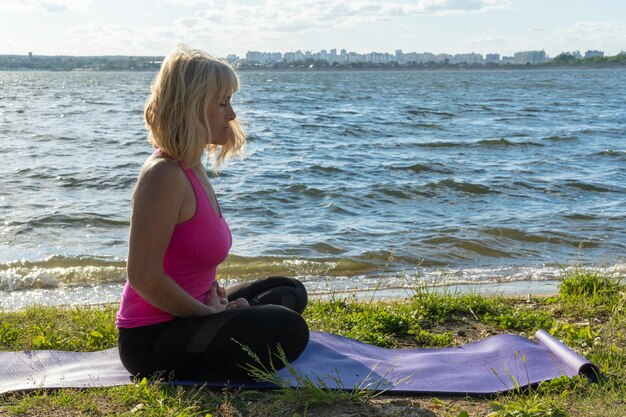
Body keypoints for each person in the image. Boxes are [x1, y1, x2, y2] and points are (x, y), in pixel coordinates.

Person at [116, 45, 309, 382]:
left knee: (288, 291)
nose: (232, 114)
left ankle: (218, 327)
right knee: (287, 327)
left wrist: (214, 293)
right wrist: (208, 314)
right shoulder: (162, 175)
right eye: (222, 103)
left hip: (192, 311)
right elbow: (143, 276)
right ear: (192, 108)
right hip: (152, 338)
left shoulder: (191, 166)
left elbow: (187, 256)